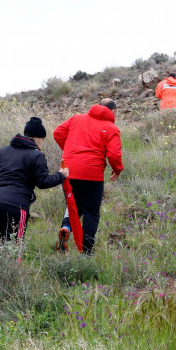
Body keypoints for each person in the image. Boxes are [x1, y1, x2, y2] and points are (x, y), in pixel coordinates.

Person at [0, 117, 69, 252]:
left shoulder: (2, 151)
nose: (42, 142)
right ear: (39, 138)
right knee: (14, 247)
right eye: (43, 139)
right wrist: (61, 175)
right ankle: (11, 272)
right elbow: (43, 182)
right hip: (17, 207)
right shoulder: (36, 155)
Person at [54, 99, 123, 255]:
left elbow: (57, 133)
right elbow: (114, 154)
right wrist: (117, 169)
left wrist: (70, 153)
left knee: (73, 206)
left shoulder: (76, 118)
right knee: (91, 212)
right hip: (92, 175)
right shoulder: (111, 128)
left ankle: (66, 228)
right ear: (113, 112)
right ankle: (86, 252)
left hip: (68, 171)